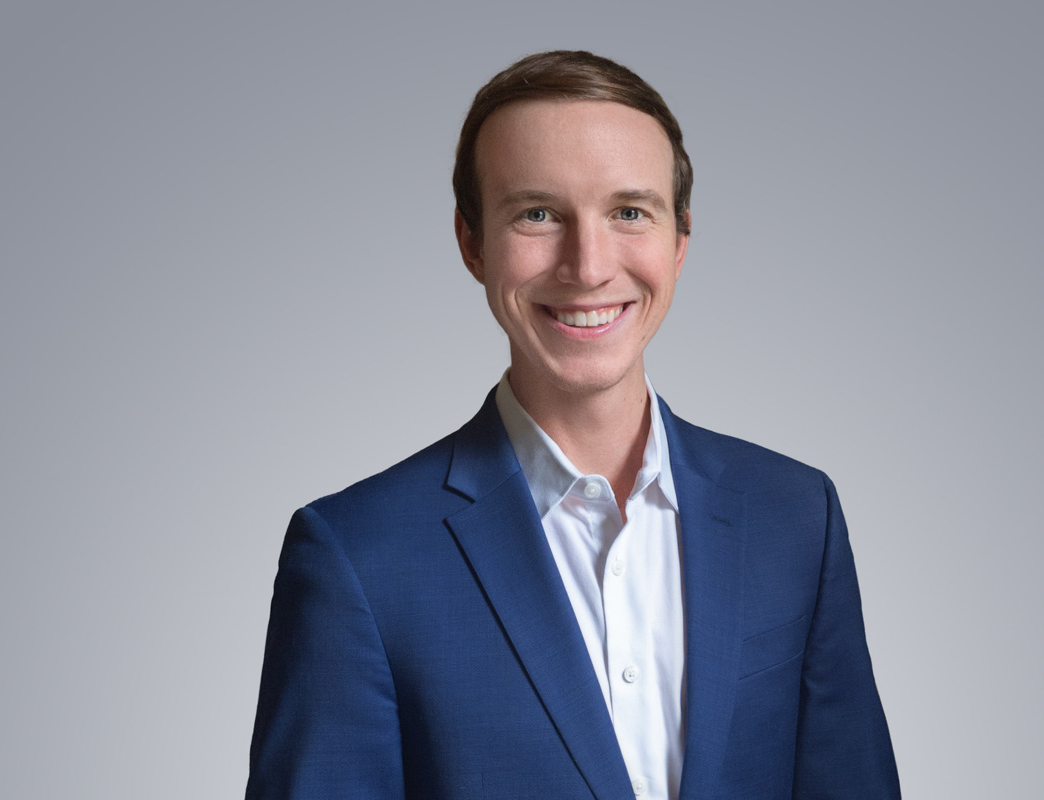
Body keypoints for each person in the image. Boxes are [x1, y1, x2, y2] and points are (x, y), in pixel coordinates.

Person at [246, 50, 900, 800]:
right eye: (537, 213)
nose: (588, 266)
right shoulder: (356, 556)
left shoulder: (796, 517)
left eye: (629, 212)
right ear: (472, 243)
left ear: (679, 240)